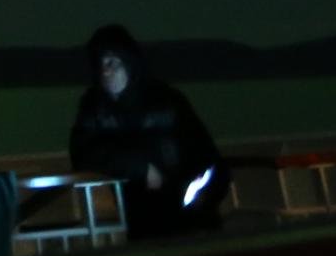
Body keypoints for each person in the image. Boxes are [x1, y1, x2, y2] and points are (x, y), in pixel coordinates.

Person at [67, 23, 222, 241]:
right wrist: (141, 168)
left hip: (191, 215)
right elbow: (83, 154)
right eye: (99, 63)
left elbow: (208, 156)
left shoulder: (167, 100)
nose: (105, 70)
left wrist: (202, 198)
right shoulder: (94, 109)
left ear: (129, 62)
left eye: (112, 61)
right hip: (141, 218)